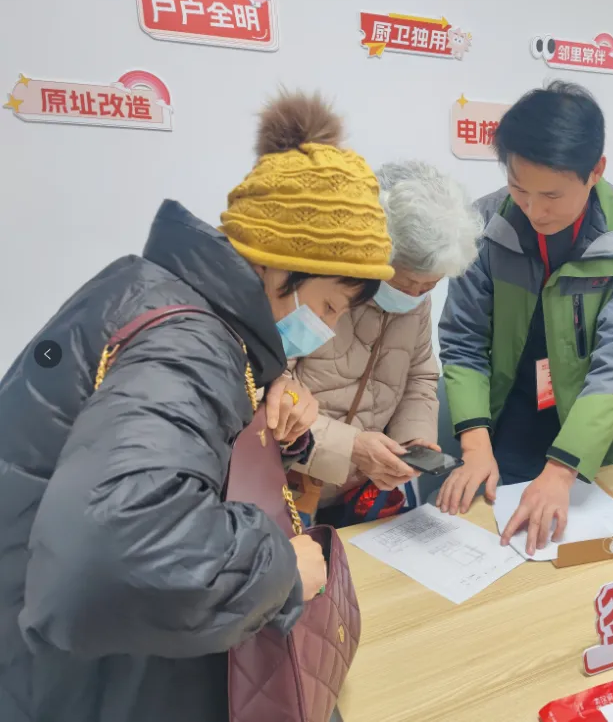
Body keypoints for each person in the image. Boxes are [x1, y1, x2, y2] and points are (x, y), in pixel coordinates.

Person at [0, 90, 394, 722]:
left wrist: (266, 400)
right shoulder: (187, 346)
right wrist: (278, 570)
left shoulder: (167, 298)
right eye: (328, 306)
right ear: (281, 267)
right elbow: (116, 547)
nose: (326, 330)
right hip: (82, 680)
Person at [437, 82, 613, 556]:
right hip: (512, 421)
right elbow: (463, 341)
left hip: (596, 438)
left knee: (595, 560)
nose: (534, 210)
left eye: (552, 195)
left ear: (595, 171)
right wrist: (476, 447)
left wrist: (562, 471)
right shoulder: (485, 225)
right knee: (503, 551)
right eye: (519, 189)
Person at [287, 160, 483, 526]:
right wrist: (351, 446)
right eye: (406, 282)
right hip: (289, 485)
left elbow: (419, 376)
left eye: (429, 286)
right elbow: (266, 396)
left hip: (363, 490)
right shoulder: (313, 290)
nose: (416, 295)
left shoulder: (416, 300)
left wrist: (414, 443)